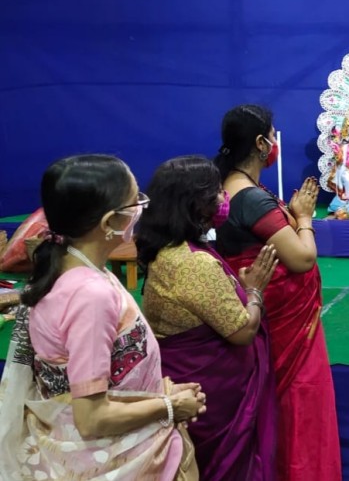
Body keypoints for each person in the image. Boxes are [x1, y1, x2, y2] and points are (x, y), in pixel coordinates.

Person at [0, 154, 206, 479]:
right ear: (110, 222)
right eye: (135, 201)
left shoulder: (74, 265)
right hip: (107, 457)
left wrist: (157, 392)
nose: (141, 207)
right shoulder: (90, 296)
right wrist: (168, 407)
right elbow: (92, 417)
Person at [213, 104, 341, 480]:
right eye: (272, 134)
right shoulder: (250, 198)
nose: (274, 141)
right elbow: (301, 258)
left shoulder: (230, 187)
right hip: (283, 325)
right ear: (259, 142)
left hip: (262, 316)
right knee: (297, 403)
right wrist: (303, 218)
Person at [136, 156, 279, 480]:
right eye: (215, 192)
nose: (223, 199)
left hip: (195, 382)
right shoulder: (192, 263)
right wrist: (255, 290)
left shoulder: (172, 249)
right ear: (194, 204)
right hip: (211, 397)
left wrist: (236, 288)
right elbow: (243, 331)